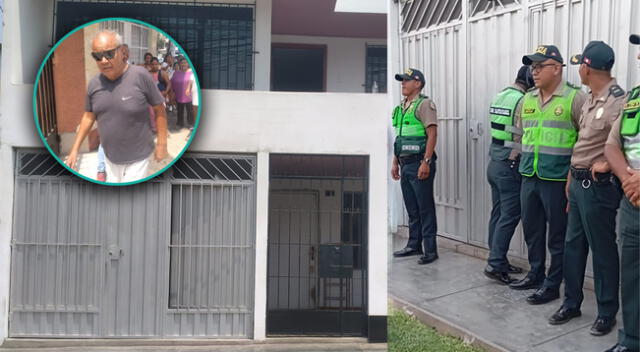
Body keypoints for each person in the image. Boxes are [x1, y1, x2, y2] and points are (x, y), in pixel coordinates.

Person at [547, 41, 625, 337]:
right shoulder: (590, 98)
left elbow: (624, 144)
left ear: (588, 67)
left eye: (580, 64)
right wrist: (570, 177)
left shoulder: (620, 100)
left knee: (602, 249)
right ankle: (572, 302)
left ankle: (607, 311)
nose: (578, 69)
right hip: (578, 183)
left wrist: (606, 162)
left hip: (599, 187)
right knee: (573, 246)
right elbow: (581, 144)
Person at [508, 45, 587, 306]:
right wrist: (515, 163)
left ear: (556, 68)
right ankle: (535, 274)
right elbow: (518, 135)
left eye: (540, 66)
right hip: (528, 174)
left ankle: (553, 285)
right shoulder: (527, 99)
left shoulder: (575, 98)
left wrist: (572, 175)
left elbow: (585, 139)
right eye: (532, 66)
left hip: (558, 179)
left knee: (557, 235)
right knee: (532, 230)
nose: (534, 71)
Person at [64, 30, 168, 183]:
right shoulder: (94, 84)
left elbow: (159, 109)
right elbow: (88, 116)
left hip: (137, 158)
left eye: (109, 54)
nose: (104, 60)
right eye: (98, 56)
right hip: (109, 158)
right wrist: (74, 150)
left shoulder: (140, 76)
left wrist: (162, 144)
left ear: (123, 52)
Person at [602, 34, 640, 352]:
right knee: (631, 277)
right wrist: (629, 179)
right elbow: (612, 145)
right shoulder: (634, 100)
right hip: (633, 203)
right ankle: (630, 341)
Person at [483, 65, 534, 284]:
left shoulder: (500, 96)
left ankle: (497, 258)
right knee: (510, 215)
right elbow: (527, 133)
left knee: (498, 213)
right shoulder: (522, 101)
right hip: (510, 164)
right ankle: (495, 264)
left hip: (494, 162)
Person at [391, 68, 439, 265]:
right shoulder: (401, 107)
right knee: (412, 207)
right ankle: (413, 245)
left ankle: (430, 250)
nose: (403, 83)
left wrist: (426, 162)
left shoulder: (424, 104)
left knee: (424, 208)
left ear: (417, 83)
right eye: (402, 81)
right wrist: (395, 162)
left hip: (419, 162)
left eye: (406, 80)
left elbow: (433, 134)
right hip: (404, 163)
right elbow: (399, 139)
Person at [171, 57, 194, 129]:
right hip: (179, 95)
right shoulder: (176, 73)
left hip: (189, 96)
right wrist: (172, 93)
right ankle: (180, 123)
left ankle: (191, 123)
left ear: (188, 64)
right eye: (182, 63)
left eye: (185, 62)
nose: (184, 64)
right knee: (180, 110)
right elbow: (172, 83)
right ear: (180, 64)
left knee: (190, 110)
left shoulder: (191, 72)